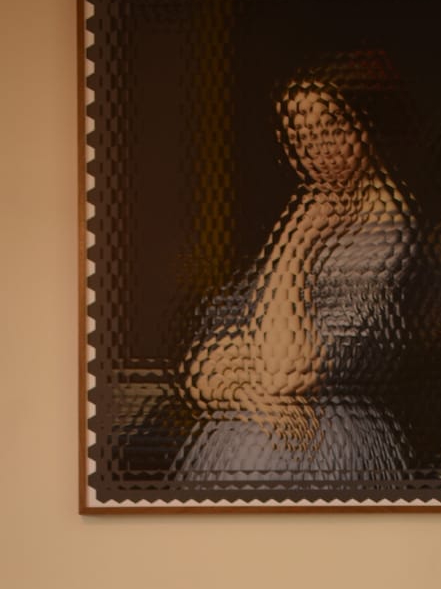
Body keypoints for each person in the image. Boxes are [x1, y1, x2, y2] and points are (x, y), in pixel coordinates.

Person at [170, 72, 420, 491]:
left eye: (331, 127)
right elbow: (202, 368)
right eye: (301, 139)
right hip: (270, 419)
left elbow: (286, 372)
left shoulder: (388, 232)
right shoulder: (313, 207)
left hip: (335, 436)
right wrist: (249, 396)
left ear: (364, 124)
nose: (318, 150)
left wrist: (298, 243)